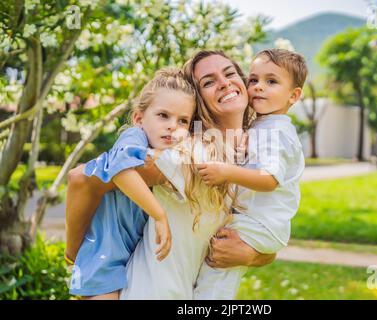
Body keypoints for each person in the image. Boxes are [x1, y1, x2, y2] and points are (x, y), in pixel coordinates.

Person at [65, 50, 276, 300]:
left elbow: (267, 227)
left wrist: (255, 255)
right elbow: (81, 178)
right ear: (198, 100)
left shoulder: (258, 152)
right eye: (208, 82)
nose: (224, 82)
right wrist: (76, 256)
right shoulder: (187, 155)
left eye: (230, 73)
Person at [68, 68, 196, 299]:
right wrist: (159, 216)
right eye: (163, 115)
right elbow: (120, 169)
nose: (172, 126)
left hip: (131, 259)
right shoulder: (133, 137)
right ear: (138, 118)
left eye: (183, 121)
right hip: (103, 258)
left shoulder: (172, 152)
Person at [192, 48, 307, 299]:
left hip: (258, 223)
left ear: (293, 95)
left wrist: (226, 171)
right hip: (259, 222)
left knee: (217, 272)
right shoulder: (263, 126)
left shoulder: (275, 132)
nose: (258, 87)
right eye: (253, 80)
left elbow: (269, 179)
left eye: (271, 81)